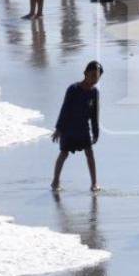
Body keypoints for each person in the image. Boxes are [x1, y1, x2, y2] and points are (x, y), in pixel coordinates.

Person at [52, 61, 103, 192]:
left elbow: (94, 114)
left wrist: (96, 132)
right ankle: (55, 181)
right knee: (64, 153)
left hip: (83, 128)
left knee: (89, 152)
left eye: (97, 77)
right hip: (69, 128)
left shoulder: (95, 92)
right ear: (85, 73)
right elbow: (65, 109)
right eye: (92, 75)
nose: (94, 79)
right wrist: (59, 129)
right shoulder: (73, 89)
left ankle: (94, 183)